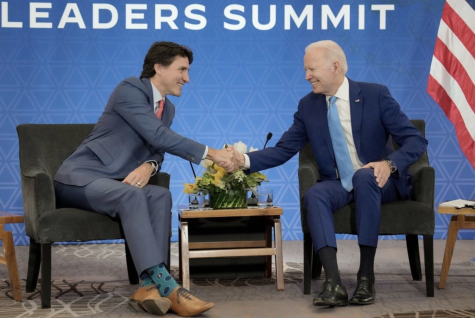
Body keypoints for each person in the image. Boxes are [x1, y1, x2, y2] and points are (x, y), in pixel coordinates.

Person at [233, 40, 428, 307]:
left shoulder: (375, 95)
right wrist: (242, 160)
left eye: (311, 69)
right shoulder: (308, 106)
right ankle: (333, 282)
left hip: (382, 182)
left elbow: (416, 141)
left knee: (363, 175)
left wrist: (389, 164)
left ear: (335, 67)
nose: (306, 76)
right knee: (315, 195)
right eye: (305, 70)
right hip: (338, 183)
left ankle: (365, 276)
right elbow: (284, 149)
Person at [54, 41, 238, 317]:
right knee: (132, 194)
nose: (187, 78)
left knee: (160, 195)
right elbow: (159, 136)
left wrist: (149, 166)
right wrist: (213, 154)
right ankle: (169, 287)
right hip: (79, 178)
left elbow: (158, 149)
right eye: (182, 70)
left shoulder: (168, 109)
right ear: (159, 67)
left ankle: (148, 287)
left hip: (116, 183)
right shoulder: (129, 89)